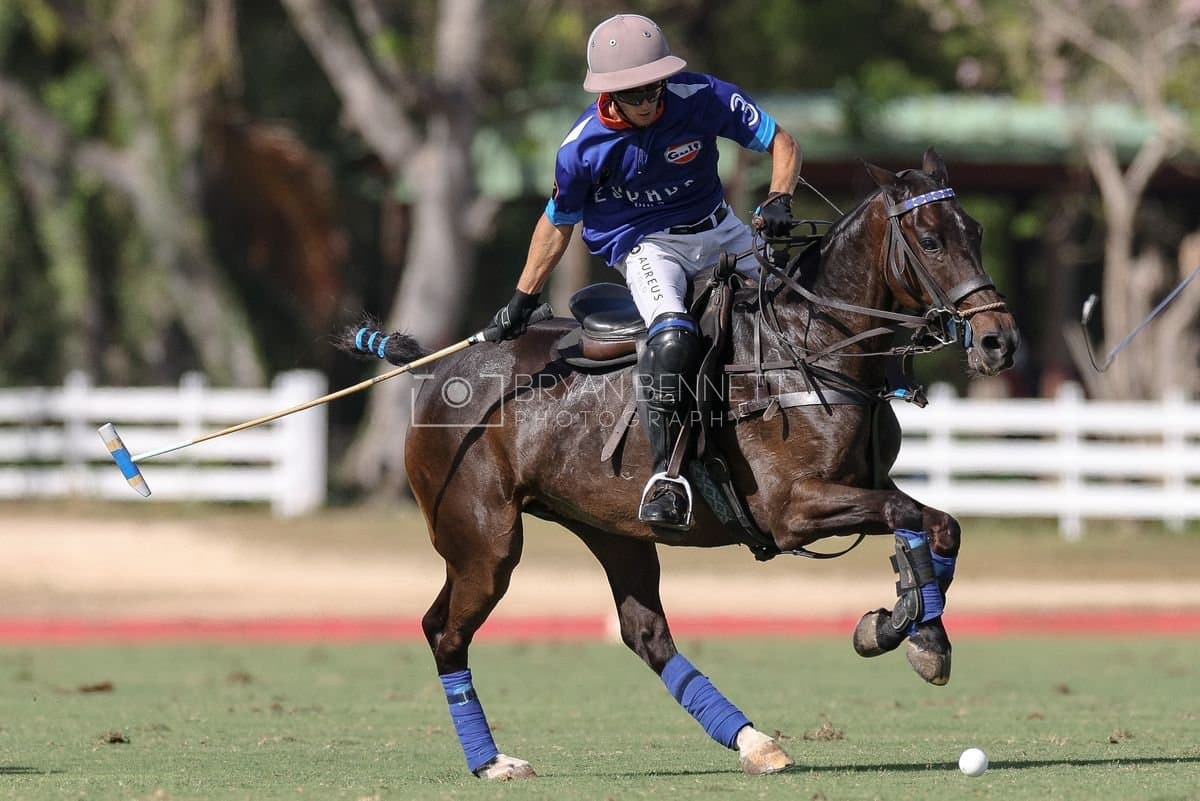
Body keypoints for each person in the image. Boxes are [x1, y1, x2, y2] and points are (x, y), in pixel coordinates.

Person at [489, 13, 801, 531]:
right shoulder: (581, 148)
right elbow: (557, 223)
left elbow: (782, 142)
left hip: (721, 228)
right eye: (635, 94)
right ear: (609, 94)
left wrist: (779, 198)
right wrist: (523, 297)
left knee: (799, 303)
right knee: (673, 338)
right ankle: (667, 477)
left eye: (655, 86)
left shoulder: (702, 96)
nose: (650, 101)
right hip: (648, 247)